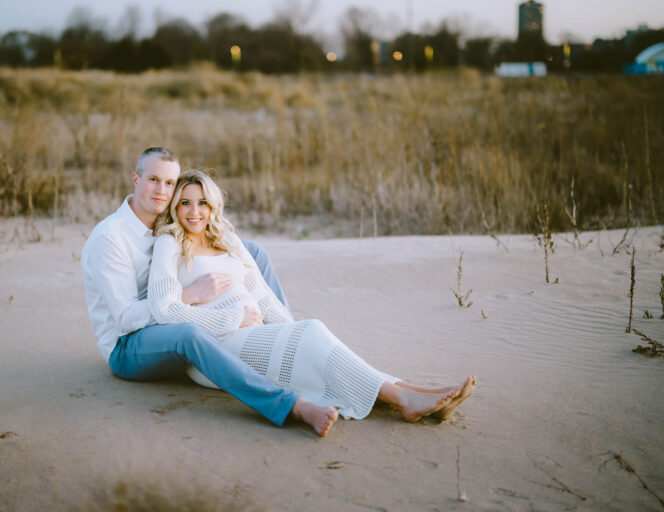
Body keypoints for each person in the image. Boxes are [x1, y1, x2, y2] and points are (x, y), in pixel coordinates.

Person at [148, 170, 476, 423]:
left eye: (202, 202)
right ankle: (404, 399)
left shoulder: (229, 240)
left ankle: (414, 392)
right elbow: (164, 309)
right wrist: (232, 318)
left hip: (253, 334)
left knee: (313, 338)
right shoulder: (170, 243)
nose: (194, 211)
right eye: (186, 202)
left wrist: (290, 330)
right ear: (175, 207)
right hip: (216, 349)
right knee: (314, 334)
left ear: (213, 206)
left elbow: (261, 296)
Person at [81, 147, 339, 436]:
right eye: (153, 180)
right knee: (189, 333)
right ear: (135, 179)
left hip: (167, 317)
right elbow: (127, 318)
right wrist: (187, 295)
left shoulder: (165, 222)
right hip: (129, 345)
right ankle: (289, 404)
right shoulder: (111, 239)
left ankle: (287, 343)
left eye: (169, 183)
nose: (162, 191)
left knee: (252, 253)